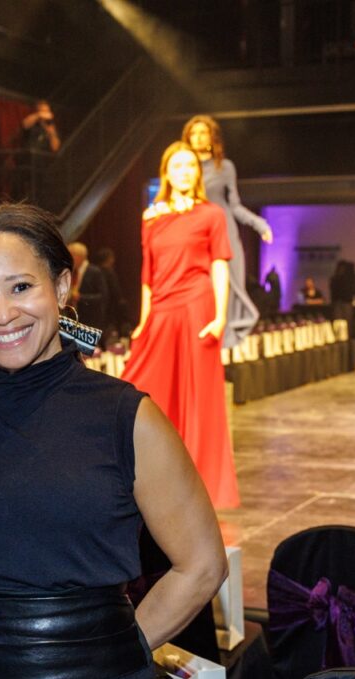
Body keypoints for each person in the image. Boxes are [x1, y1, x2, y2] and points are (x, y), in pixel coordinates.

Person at [0, 202, 227, 679]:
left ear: (62, 286)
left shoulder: (126, 417)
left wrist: (111, 657)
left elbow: (203, 565)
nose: (2, 314)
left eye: (21, 287)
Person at [122, 141, 239, 509]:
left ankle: (201, 484)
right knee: (143, 387)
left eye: (190, 166)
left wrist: (220, 316)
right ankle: (150, 475)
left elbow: (220, 265)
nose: (185, 172)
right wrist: (144, 320)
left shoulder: (211, 215)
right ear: (166, 174)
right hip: (162, 308)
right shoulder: (152, 217)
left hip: (196, 307)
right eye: (177, 166)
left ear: (198, 173)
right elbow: (147, 273)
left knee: (199, 398)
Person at [183, 114, 273, 348]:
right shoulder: (184, 167)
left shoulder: (224, 167)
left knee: (229, 285)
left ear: (212, 137)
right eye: (193, 133)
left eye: (203, 133)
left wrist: (259, 224)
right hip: (194, 231)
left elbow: (234, 205)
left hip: (223, 228)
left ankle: (224, 347)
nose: (198, 137)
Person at [67, 241, 109, 331]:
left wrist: (81, 297)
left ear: (79, 256)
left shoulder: (94, 271)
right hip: (75, 317)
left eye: (71, 255)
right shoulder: (72, 271)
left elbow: (103, 296)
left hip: (91, 319)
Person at [95, 246, 131, 340]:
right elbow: (115, 290)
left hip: (100, 306)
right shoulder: (109, 272)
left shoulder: (96, 271)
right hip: (111, 307)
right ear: (108, 258)